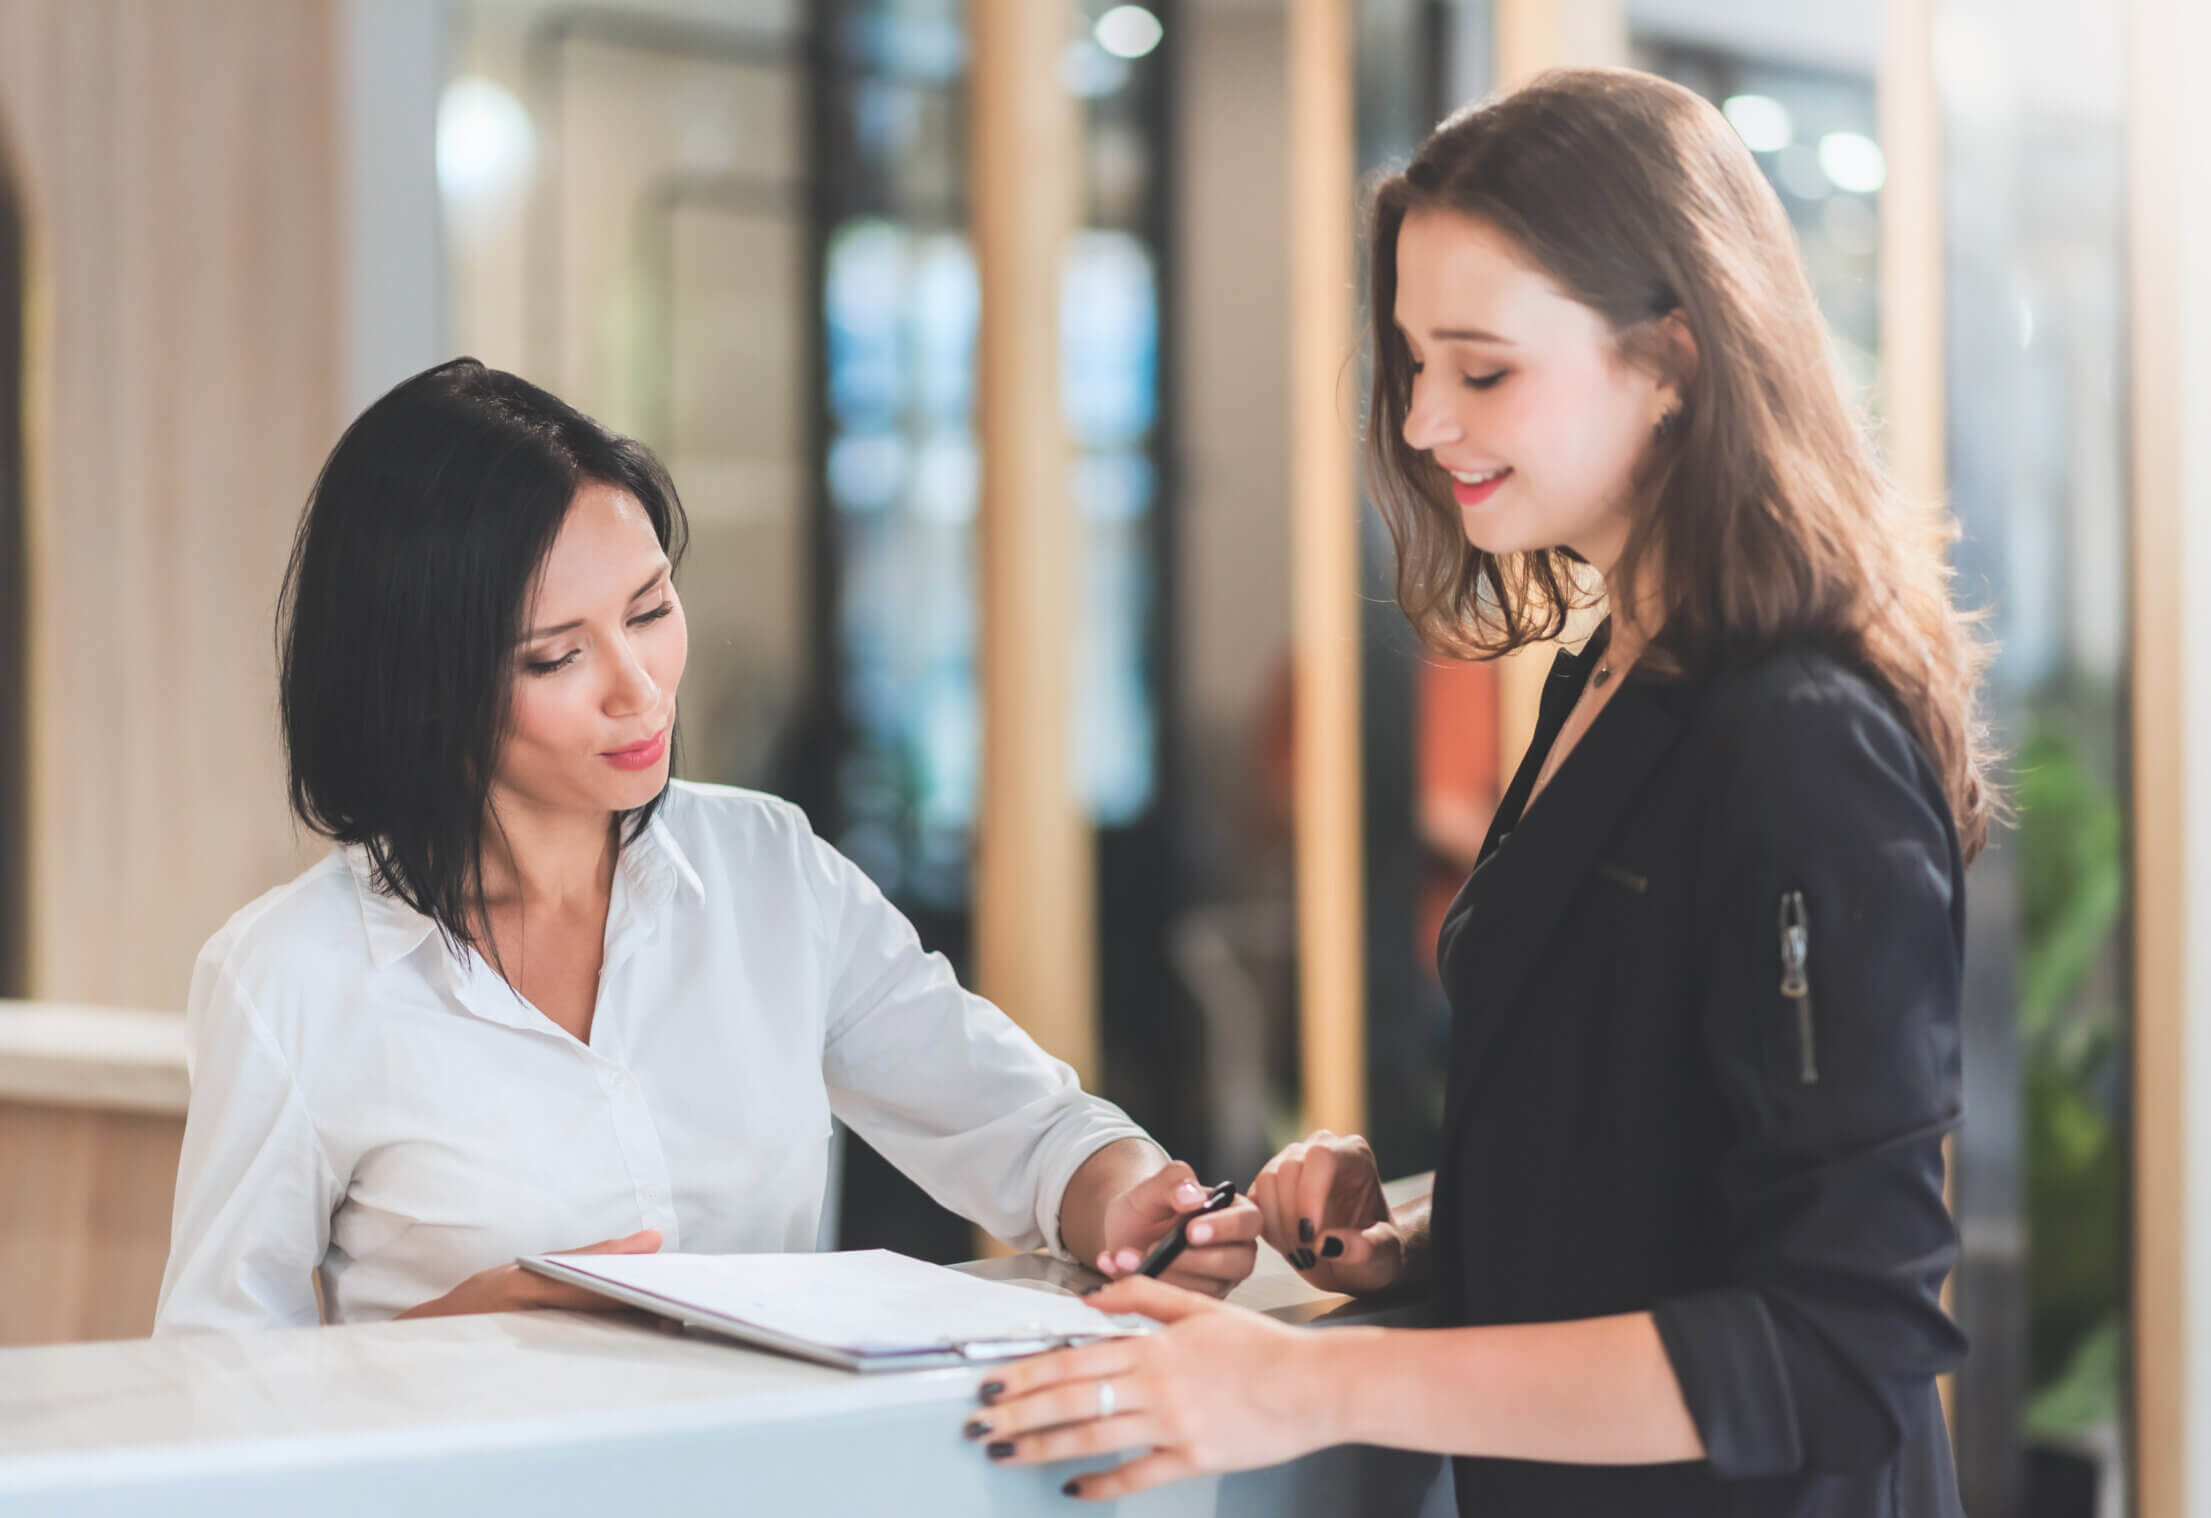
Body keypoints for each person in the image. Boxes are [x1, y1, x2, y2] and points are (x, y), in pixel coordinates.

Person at [971, 67, 1989, 1516]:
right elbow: (1672, 1184)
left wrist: (1303, 1382)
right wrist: (1424, 1232)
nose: (1428, 420)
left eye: (1484, 367)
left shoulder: (1799, 738)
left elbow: (1839, 1340)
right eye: (1412, 363)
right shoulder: (1609, 676)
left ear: (1676, 360)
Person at [154, 359, 1260, 1333]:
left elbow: (1021, 1128)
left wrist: (1129, 1197)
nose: (638, 692)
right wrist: (444, 1340)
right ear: (426, 688)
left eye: (648, 610)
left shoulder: (768, 873)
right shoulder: (294, 976)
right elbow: (209, 1386)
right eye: (555, 658)